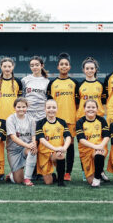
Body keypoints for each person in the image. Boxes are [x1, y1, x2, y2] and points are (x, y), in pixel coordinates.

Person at [47, 52, 79, 181]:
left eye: (66, 64)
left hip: (70, 119)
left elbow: (77, 103)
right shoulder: (52, 83)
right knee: (54, 145)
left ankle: (68, 172)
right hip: (55, 121)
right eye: (61, 64)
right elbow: (49, 103)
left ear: (69, 67)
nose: (64, 66)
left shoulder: (75, 83)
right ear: (58, 67)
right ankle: (52, 169)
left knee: (69, 146)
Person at [36, 99, 71, 186]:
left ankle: (61, 181)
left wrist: (64, 148)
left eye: (53, 107)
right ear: (44, 109)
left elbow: (68, 137)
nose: (51, 110)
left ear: (57, 109)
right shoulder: (40, 123)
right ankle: (54, 176)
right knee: (48, 182)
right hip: (44, 153)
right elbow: (41, 140)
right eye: (48, 107)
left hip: (57, 152)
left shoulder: (62, 122)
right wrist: (55, 148)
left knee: (60, 155)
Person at [76, 99, 110, 187]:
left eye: (93, 107)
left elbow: (106, 136)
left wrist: (101, 146)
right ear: (84, 109)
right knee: (90, 181)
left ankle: (97, 178)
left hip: (100, 148)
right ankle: (100, 171)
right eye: (88, 107)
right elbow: (81, 140)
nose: (91, 109)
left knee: (99, 153)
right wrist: (95, 146)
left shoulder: (101, 120)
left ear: (97, 109)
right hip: (86, 150)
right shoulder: (80, 122)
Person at [6, 97, 37, 186]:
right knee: (18, 180)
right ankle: (12, 175)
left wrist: (33, 144)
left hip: (25, 148)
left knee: (33, 151)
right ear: (14, 107)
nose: (21, 109)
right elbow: (13, 138)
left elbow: (33, 135)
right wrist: (28, 145)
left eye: (23, 107)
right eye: (18, 107)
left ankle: (27, 178)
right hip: (14, 151)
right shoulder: (10, 119)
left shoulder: (31, 119)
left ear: (27, 107)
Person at [21, 56, 50, 122]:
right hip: (27, 114)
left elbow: (48, 98)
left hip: (42, 114)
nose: (34, 67)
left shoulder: (47, 81)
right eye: (32, 65)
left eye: (37, 65)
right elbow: (22, 97)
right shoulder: (25, 80)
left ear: (42, 66)